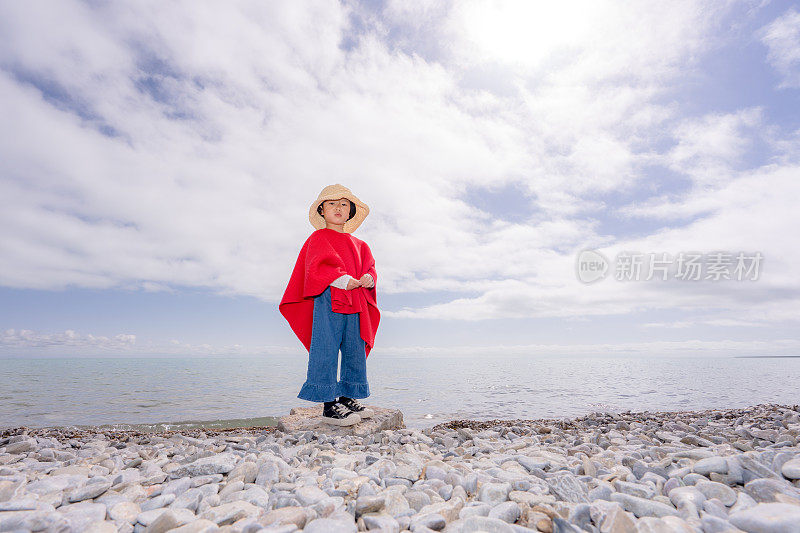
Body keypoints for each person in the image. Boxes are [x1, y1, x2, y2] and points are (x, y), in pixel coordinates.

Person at [279, 184, 381, 426]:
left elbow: (370, 268)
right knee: (325, 348)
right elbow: (316, 268)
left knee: (355, 349)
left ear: (351, 213)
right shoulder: (318, 237)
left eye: (344, 204)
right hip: (328, 298)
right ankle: (328, 405)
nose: (338, 208)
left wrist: (369, 279)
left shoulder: (361, 245)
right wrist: (344, 280)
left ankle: (347, 396)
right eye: (332, 203)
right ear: (322, 210)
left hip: (356, 300)